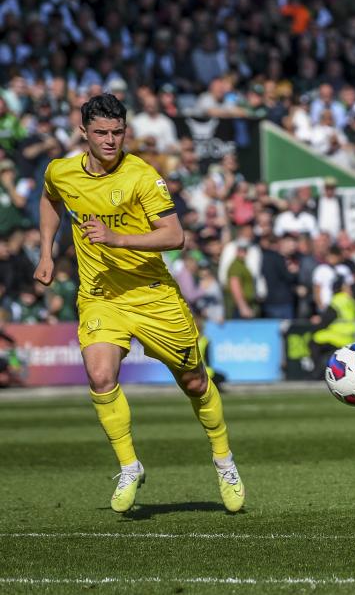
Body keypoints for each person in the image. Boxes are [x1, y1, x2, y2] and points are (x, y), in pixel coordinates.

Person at [32, 94, 245, 513]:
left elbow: (175, 235)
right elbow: (49, 198)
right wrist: (45, 252)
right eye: (101, 133)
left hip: (152, 295)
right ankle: (130, 466)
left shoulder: (143, 176)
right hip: (100, 294)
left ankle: (224, 461)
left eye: (117, 132)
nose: (110, 141)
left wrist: (117, 239)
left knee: (196, 383)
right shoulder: (61, 171)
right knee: (99, 375)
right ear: (83, 133)